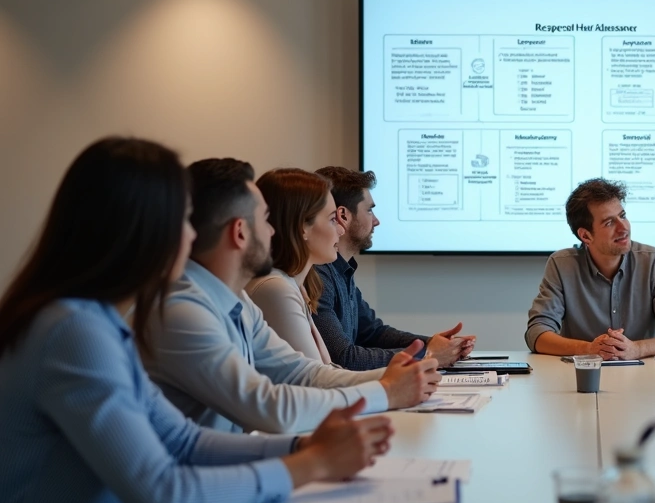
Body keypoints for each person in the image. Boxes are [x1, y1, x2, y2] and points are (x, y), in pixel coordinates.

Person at [0, 137, 393, 503]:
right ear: (142, 229)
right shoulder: (75, 335)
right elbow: (166, 494)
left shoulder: (98, 323)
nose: (191, 235)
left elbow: (182, 441)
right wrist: (311, 464)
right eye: (181, 220)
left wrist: (303, 449)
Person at [144, 158, 440, 434]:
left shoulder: (238, 302)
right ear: (240, 232)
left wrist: (391, 379)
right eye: (265, 220)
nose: (273, 232)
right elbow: (269, 407)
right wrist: (386, 391)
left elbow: (304, 374)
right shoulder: (183, 312)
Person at [313, 166, 475, 371]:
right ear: (343, 215)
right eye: (369, 210)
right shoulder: (318, 275)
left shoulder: (341, 270)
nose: (376, 221)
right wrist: (427, 354)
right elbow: (344, 358)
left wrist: (432, 343)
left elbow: (373, 333)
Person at [526, 178, 655, 359]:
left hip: (643, 376)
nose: (623, 227)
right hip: (581, 376)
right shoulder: (562, 265)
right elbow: (537, 333)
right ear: (585, 235)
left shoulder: (654, 261)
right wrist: (589, 349)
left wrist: (637, 349)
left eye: (622, 216)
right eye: (609, 222)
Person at [246, 168, 344, 364]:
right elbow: (314, 380)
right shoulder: (275, 288)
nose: (341, 230)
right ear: (302, 228)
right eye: (333, 219)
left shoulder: (296, 284)